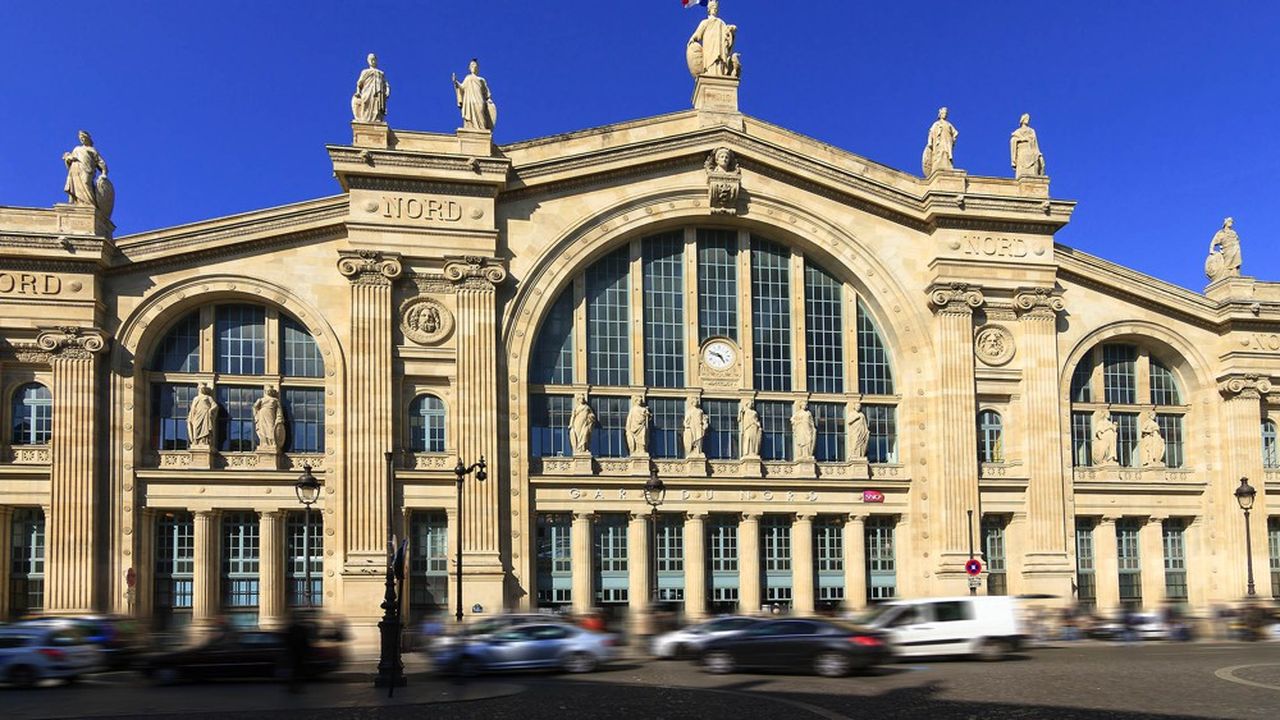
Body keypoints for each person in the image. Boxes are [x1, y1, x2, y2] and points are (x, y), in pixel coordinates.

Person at [453, 58, 496, 131]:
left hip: (479, 99)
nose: (473, 67)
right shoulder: (468, 78)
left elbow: (486, 91)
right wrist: (455, 82)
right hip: (469, 100)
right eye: (472, 65)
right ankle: (471, 127)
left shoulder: (481, 79)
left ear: (477, 68)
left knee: (480, 112)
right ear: (469, 68)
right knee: (470, 113)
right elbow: (462, 87)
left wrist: (489, 99)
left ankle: (482, 129)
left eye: (474, 65)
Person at [351, 53, 390, 123]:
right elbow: (360, 82)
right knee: (366, 103)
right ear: (368, 61)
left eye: (374, 59)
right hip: (368, 90)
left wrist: (387, 90)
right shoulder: (365, 71)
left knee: (377, 104)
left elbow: (386, 83)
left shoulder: (381, 73)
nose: (372, 61)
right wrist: (358, 91)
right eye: (371, 59)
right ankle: (365, 118)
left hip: (378, 91)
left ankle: (377, 118)